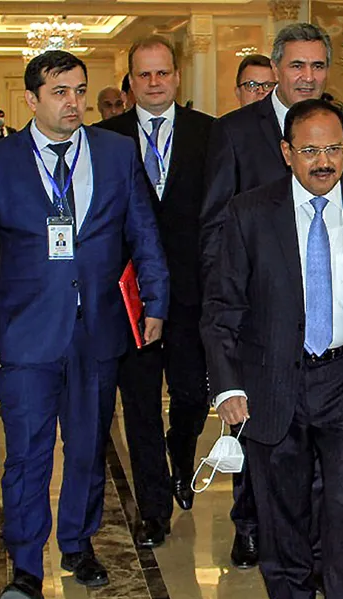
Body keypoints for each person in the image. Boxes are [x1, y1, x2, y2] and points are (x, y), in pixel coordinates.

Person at [0, 50, 169, 599]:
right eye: (59, 92)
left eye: (79, 90)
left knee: (88, 446)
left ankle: (77, 541)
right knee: (28, 454)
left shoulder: (116, 152)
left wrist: (155, 301)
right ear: (31, 99)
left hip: (97, 329)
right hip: (24, 335)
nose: (72, 102)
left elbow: (143, 232)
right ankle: (26, 565)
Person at [201, 98, 343, 599]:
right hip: (271, 382)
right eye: (310, 150)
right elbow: (221, 308)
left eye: (333, 149)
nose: (323, 161)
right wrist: (228, 387)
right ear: (287, 152)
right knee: (281, 505)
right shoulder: (249, 212)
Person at [199, 22, 343, 569]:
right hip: (259, 316)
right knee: (260, 433)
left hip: (324, 321)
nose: (308, 76)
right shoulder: (234, 131)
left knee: (323, 460)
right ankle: (251, 525)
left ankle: (313, 546)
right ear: (275, 69)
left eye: (318, 66)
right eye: (297, 65)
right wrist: (224, 311)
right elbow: (215, 226)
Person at [97, 35, 215, 548]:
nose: (154, 82)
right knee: (140, 404)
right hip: (130, 297)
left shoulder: (209, 133)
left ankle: (181, 450)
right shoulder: (105, 138)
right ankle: (154, 509)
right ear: (130, 81)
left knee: (192, 394)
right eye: (143, 74)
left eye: (162, 72)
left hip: (193, 294)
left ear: (177, 76)